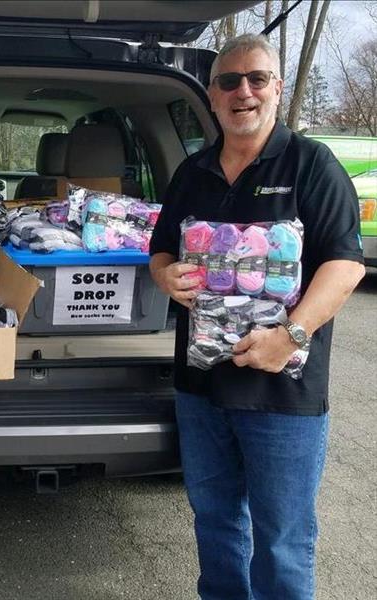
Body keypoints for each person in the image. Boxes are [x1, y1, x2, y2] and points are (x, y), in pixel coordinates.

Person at [149, 34, 365, 600]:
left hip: (281, 391)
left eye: (257, 78)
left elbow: (345, 266)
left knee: (282, 539)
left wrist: (290, 335)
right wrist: (164, 275)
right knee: (215, 522)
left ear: (276, 88)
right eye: (229, 81)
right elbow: (161, 250)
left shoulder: (311, 164)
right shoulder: (193, 171)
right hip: (200, 385)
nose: (243, 90)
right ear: (214, 98)